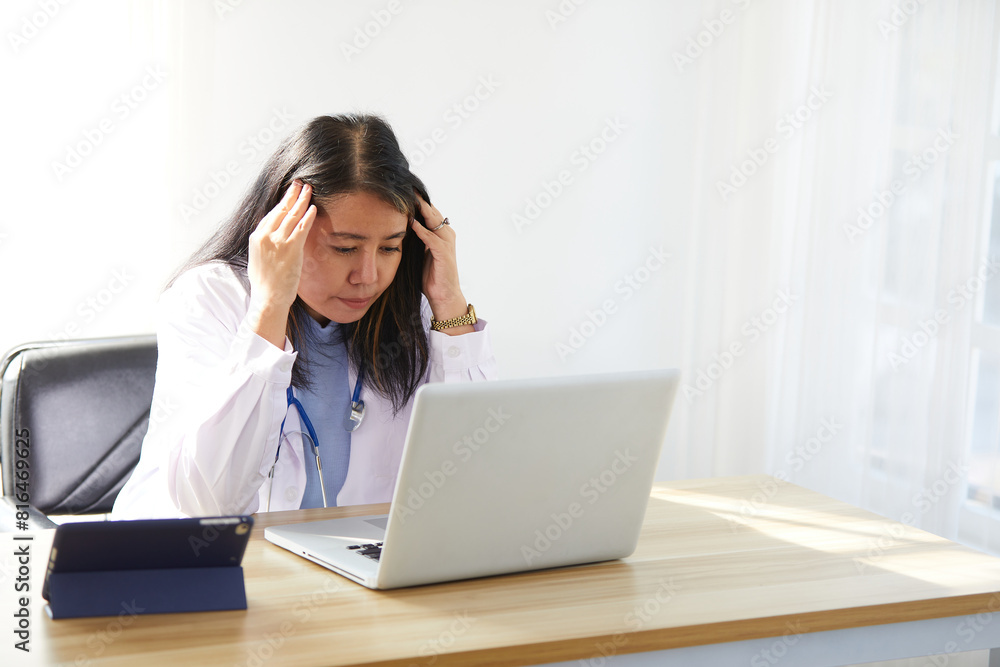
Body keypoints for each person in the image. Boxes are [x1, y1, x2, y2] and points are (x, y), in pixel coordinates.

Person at [112, 114, 497, 519]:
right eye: (345, 248)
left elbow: (476, 478)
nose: (368, 276)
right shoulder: (209, 298)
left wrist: (450, 302)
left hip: (344, 555)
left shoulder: (412, 310)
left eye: (390, 247)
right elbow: (211, 502)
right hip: (193, 552)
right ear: (283, 229)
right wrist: (270, 307)